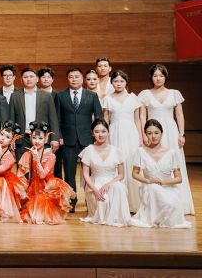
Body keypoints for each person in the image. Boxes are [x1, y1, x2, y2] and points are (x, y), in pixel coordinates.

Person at [137, 64, 194, 215]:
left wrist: (182, 134)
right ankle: (155, 203)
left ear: (165, 77)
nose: (158, 78)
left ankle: (178, 204)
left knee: (175, 163)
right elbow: (142, 115)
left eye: (161, 76)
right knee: (153, 164)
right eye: (155, 75)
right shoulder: (144, 94)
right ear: (151, 77)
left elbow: (179, 115)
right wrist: (143, 134)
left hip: (170, 131)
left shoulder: (174, 93)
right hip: (152, 131)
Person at [55, 67, 103, 211]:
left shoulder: (92, 96)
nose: (74, 79)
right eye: (71, 77)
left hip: (87, 140)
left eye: (77, 76)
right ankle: (72, 202)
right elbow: (57, 119)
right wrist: (59, 136)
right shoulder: (60, 96)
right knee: (69, 174)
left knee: (90, 173)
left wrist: (97, 137)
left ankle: (91, 201)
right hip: (67, 140)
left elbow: (99, 117)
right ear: (67, 79)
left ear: (82, 79)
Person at [131, 119, 191, 228]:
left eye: (156, 133)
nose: (153, 136)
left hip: (168, 189)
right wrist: (149, 181)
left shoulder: (171, 153)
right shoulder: (141, 152)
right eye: (149, 133)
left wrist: (162, 182)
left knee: (171, 205)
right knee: (153, 188)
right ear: (145, 135)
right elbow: (134, 174)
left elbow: (179, 178)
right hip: (149, 189)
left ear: (161, 133)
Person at [18, 121, 74, 225]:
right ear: (30, 138)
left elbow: (42, 175)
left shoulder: (51, 156)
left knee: (39, 208)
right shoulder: (27, 154)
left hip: (48, 187)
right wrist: (22, 191)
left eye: (40, 138)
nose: (37, 141)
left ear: (46, 139)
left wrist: (36, 158)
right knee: (26, 210)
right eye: (34, 138)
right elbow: (20, 176)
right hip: (33, 187)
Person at [102, 69, 143, 213]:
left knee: (131, 163)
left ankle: (133, 203)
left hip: (131, 133)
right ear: (112, 83)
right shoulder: (108, 98)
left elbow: (137, 120)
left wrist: (140, 137)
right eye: (115, 81)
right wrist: (105, 138)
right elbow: (106, 120)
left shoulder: (134, 98)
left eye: (121, 81)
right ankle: (117, 204)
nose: (118, 84)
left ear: (126, 82)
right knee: (116, 164)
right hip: (114, 133)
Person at [78, 119, 130, 227]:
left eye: (103, 131)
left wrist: (109, 184)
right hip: (94, 184)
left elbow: (121, 175)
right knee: (103, 201)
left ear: (108, 132)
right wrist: (95, 190)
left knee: (119, 187)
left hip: (111, 182)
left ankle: (117, 217)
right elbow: (85, 174)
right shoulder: (88, 150)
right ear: (92, 133)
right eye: (96, 132)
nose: (100, 134)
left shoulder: (117, 151)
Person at [10, 68, 60, 160]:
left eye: (31, 76)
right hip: (22, 138)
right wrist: (11, 138)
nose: (28, 79)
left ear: (37, 79)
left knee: (40, 166)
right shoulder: (15, 96)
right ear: (21, 80)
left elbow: (53, 118)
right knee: (22, 166)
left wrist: (55, 138)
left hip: (41, 138)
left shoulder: (46, 96)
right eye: (25, 77)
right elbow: (11, 118)